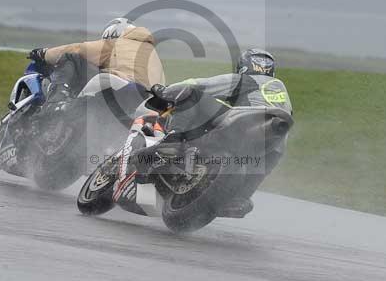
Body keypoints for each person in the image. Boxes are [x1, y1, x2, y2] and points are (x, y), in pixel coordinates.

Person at [114, 48, 292, 215]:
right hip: (274, 142)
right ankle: (237, 197)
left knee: (192, 93)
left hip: (247, 121)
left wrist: (166, 91)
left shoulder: (248, 80)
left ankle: (173, 140)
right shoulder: (279, 92)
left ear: (244, 66)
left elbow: (200, 84)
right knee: (259, 169)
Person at [28, 17, 166, 103]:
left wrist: (43, 53)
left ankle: (56, 102)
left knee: (71, 57)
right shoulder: (154, 55)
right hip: (148, 100)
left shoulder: (116, 43)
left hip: (121, 85)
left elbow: (78, 49)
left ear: (112, 34)